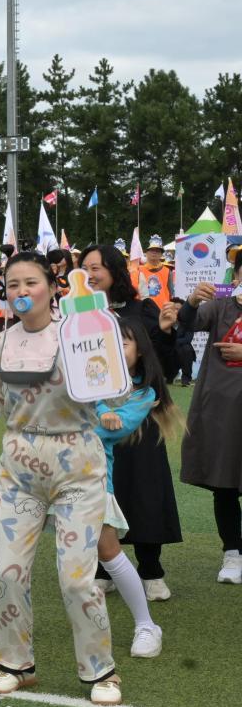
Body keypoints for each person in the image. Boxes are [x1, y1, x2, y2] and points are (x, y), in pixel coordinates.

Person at [0, 252, 121, 705]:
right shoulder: (1, 343)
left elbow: (113, 391)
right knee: (9, 573)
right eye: (13, 284)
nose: (21, 291)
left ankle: (101, 671)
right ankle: (15, 664)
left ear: (52, 288)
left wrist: (101, 342)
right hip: (19, 468)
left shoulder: (78, 331)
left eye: (31, 282)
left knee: (76, 578)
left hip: (77, 466)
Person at [78, 244, 182, 591]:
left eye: (96, 267)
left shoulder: (142, 309)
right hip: (95, 415)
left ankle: (151, 569)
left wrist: (164, 332)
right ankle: (105, 568)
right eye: (84, 268)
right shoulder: (78, 314)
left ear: (114, 269)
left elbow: (163, 365)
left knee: (144, 488)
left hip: (138, 416)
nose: (89, 274)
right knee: (101, 488)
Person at [90, 319, 174, 659]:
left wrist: (95, 414)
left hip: (99, 477)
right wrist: (98, 409)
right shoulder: (89, 380)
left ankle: (146, 620)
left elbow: (113, 426)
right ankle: (1, 612)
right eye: (108, 343)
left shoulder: (145, 392)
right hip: (62, 473)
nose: (114, 350)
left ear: (140, 350)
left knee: (112, 545)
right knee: (25, 547)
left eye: (123, 343)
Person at [175, 247, 242, 584]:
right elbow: (188, 324)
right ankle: (233, 552)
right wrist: (190, 302)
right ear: (236, 276)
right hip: (220, 410)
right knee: (224, 482)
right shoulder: (220, 306)